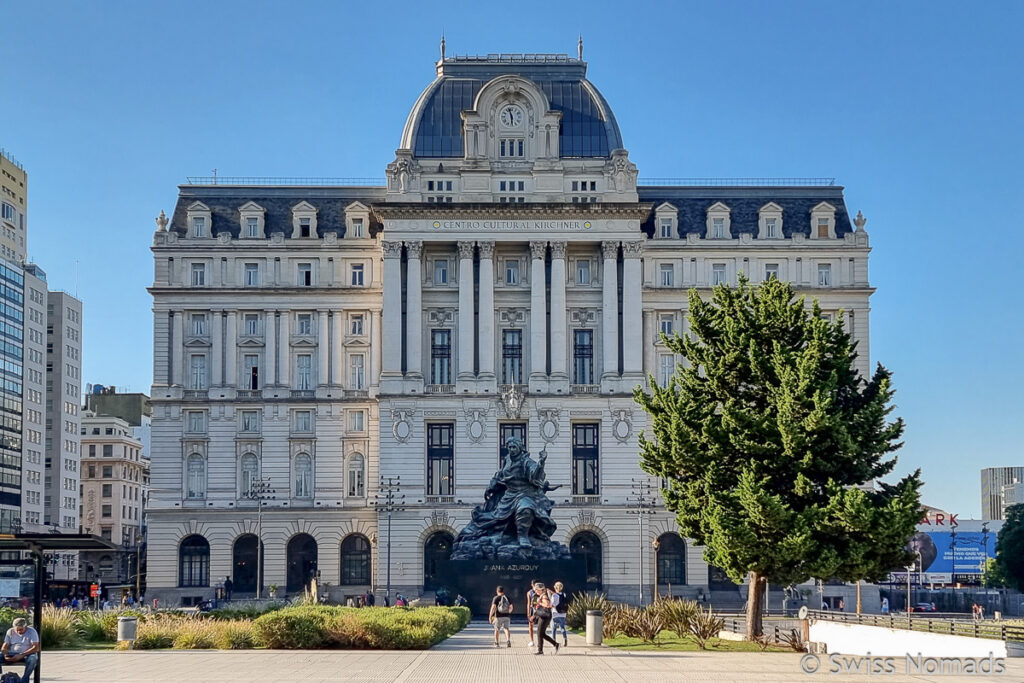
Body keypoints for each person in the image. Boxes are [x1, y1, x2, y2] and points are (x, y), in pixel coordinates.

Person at [2, 617, 40, 683]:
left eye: (21, 629)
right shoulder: (10, 631)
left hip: (27, 654)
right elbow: (4, 647)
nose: (19, 631)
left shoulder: (32, 631)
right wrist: (5, 655)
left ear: (25, 627)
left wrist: (22, 655)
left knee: (33, 658)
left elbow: (36, 648)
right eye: (17, 630)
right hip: (12, 653)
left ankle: (25, 679)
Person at [531, 583, 559, 655]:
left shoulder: (544, 596)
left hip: (545, 616)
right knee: (541, 633)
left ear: (541, 589)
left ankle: (541, 650)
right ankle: (555, 644)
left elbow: (547, 605)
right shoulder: (545, 594)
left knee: (539, 633)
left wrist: (539, 603)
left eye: (537, 590)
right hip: (544, 615)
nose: (536, 591)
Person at [550, 581, 568, 647]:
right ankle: (565, 639)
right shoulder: (564, 594)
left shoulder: (554, 595)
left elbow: (551, 604)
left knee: (553, 628)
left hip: (555, 614)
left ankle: (554, 641)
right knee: (562, 627)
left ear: (555, 587)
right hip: (563, 613)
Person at [525, 580, 539, 648]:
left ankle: (532, 641)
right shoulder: (541, 591)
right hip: (537, 610)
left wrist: (528, 613)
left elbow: (528, 603)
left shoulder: (530, 592)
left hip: (535, 610)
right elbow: (528, 603)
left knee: (532, 626)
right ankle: (534, 641)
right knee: (533, 626)